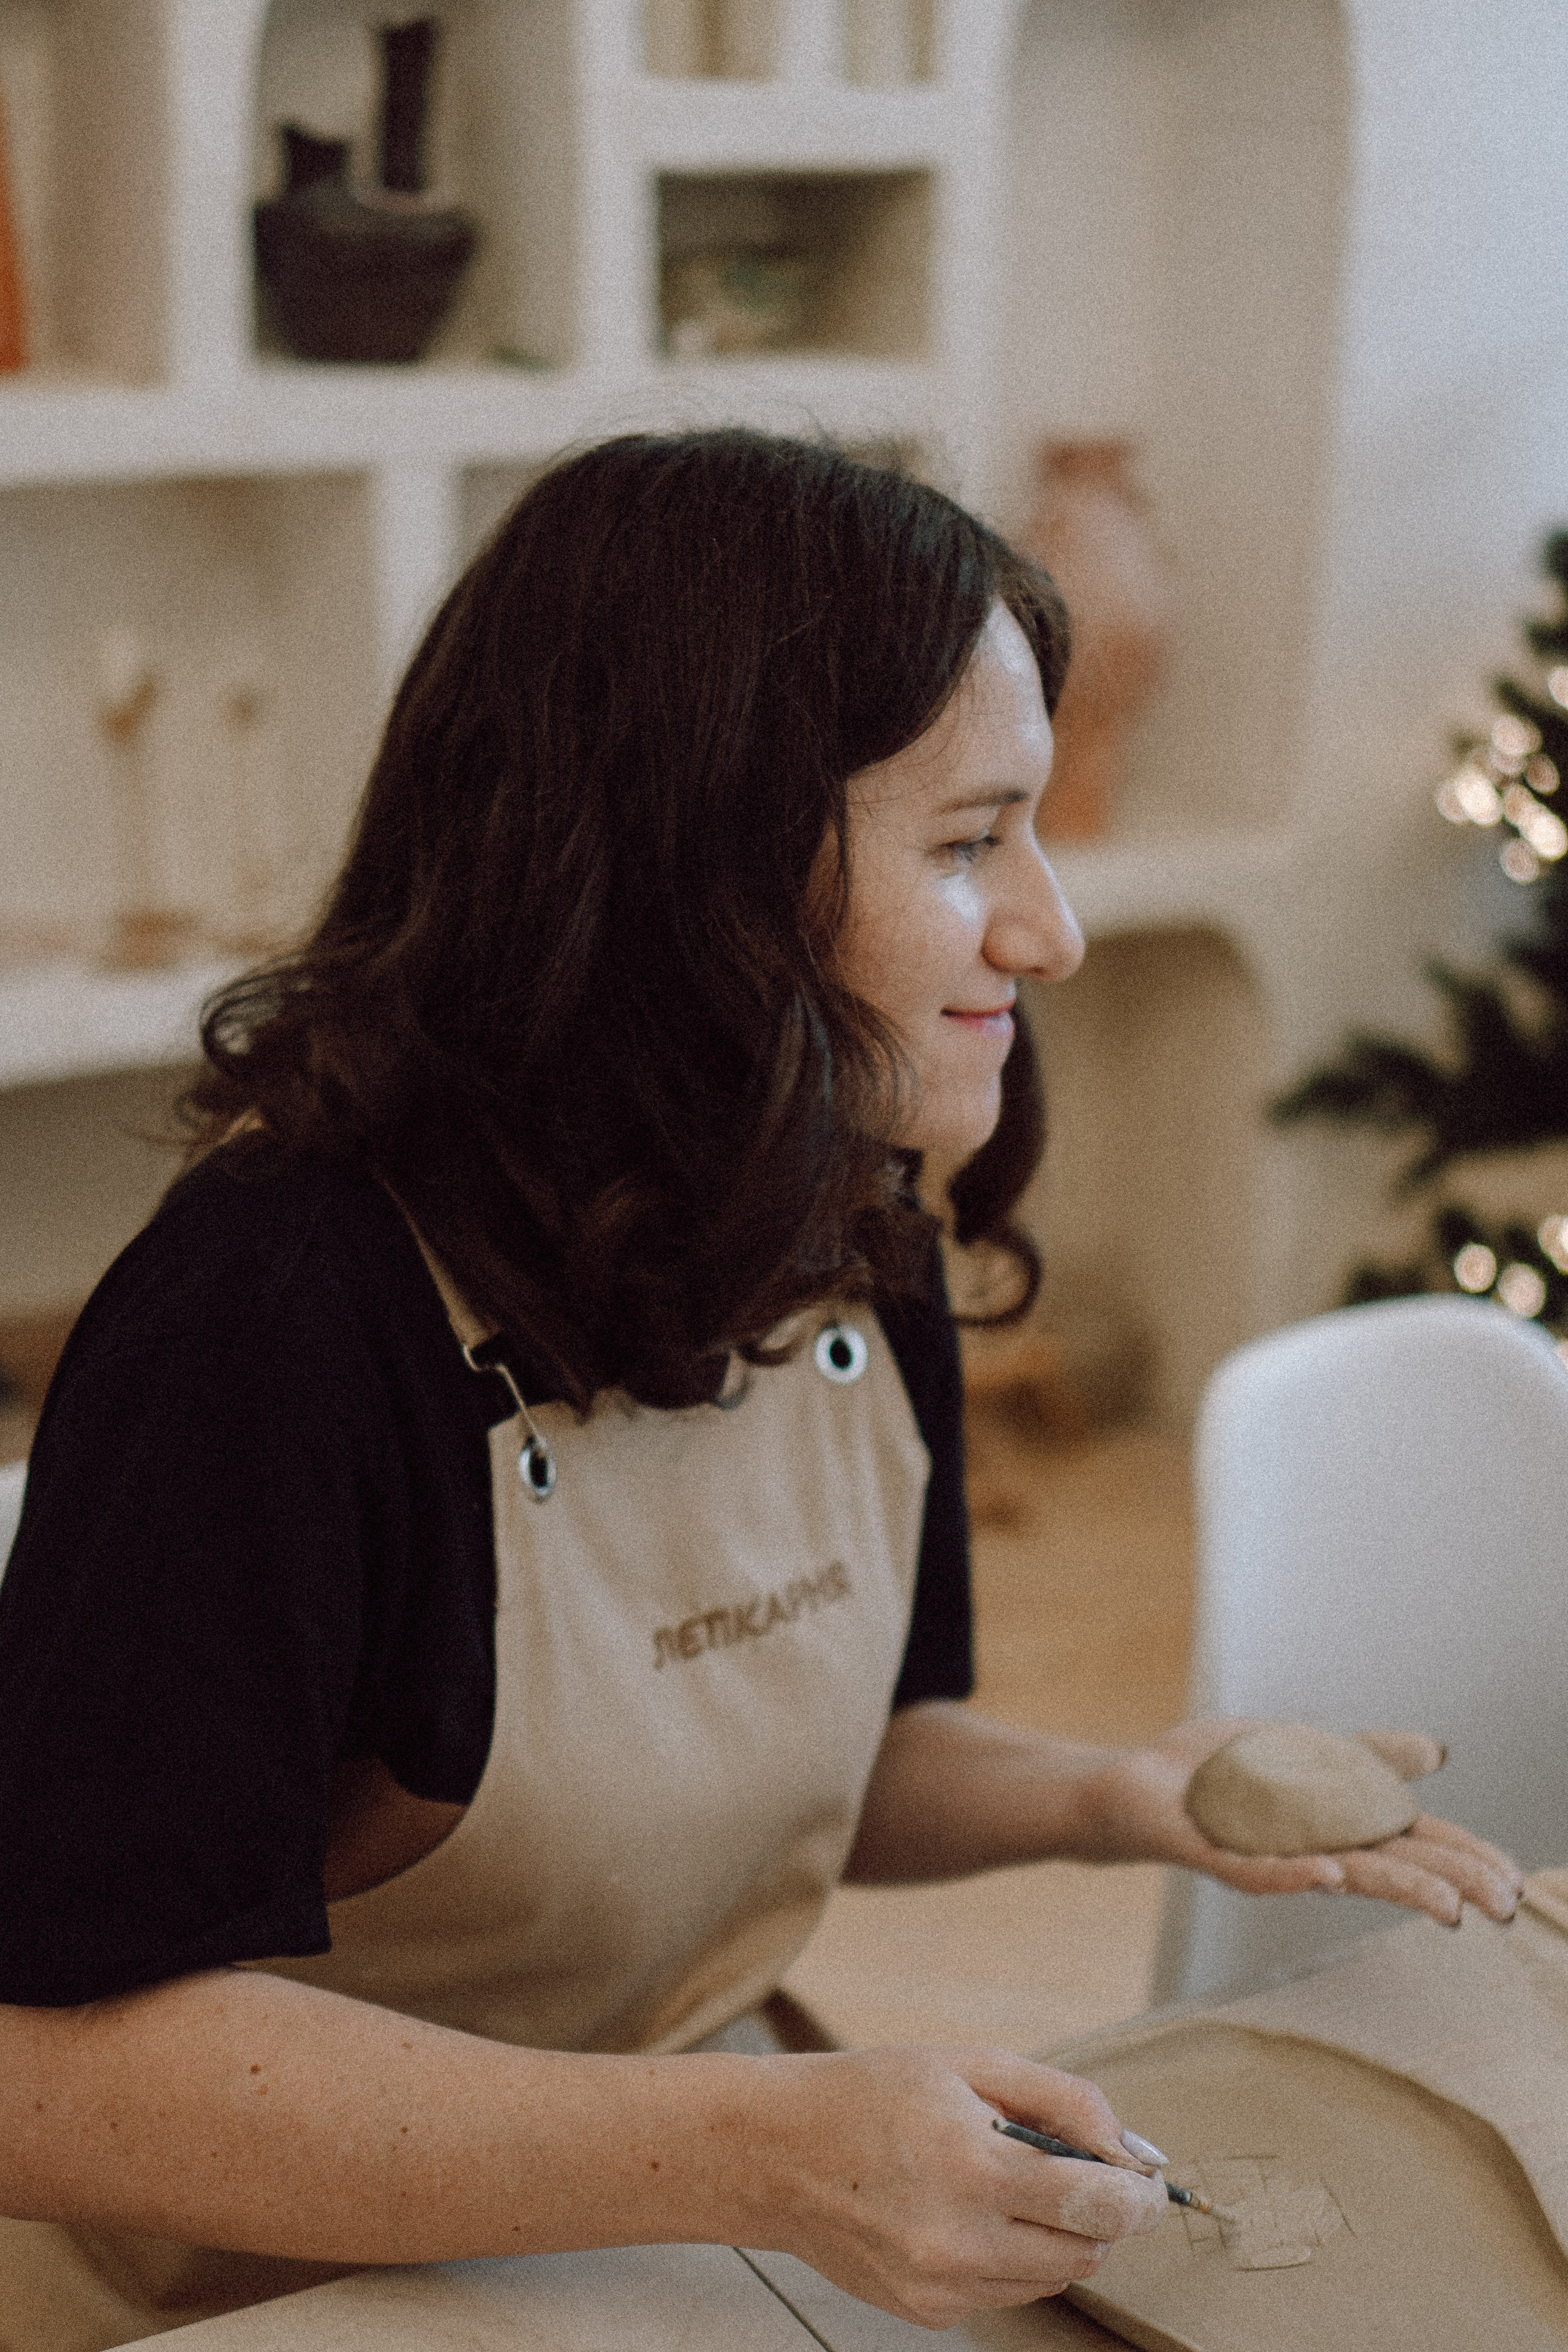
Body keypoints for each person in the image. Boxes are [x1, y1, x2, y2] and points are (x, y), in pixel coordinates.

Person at [0, 431, 1520, 2347]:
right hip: (245, 2295)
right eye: (970, 846)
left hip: (654, 2237)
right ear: (689, 875)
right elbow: (49, 2076)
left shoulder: (842, 1232)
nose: (1048, 929)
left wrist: (1116, 1793)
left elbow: (818, 1753)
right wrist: (742, 2149)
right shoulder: (275, 1321)